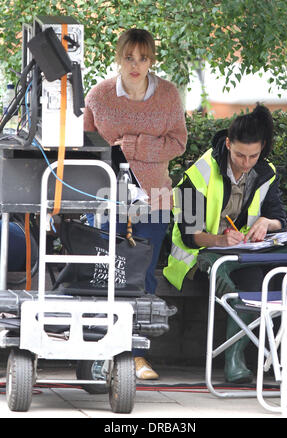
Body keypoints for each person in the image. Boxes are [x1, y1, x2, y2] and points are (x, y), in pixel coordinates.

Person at [84, 28, 187, 379]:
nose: (136, 65)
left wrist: (136, 146)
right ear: (119, 56)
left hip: (155, 196)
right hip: (105, 195)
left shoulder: (169, 95)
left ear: (152, 59)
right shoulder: (99, 95)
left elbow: (178, 142)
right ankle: (99, 353)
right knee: (104, 274)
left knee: (143, 276)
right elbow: (86, 145)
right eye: (130, 57)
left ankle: (137, 353)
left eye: (143, 58)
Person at [164, 103, 287, 383]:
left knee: (258, 281)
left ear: (262, 148)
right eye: (240, 155)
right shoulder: (199, 172)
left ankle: (240, 358)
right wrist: (220, 239)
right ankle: (234, 362)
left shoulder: (265, 172)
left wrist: (266, 224)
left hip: (241, 253)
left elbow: (280, 218)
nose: (246, 163)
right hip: (199, 254)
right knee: (235, 286)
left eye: (253, 156)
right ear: (228, 144)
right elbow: (188, 234)